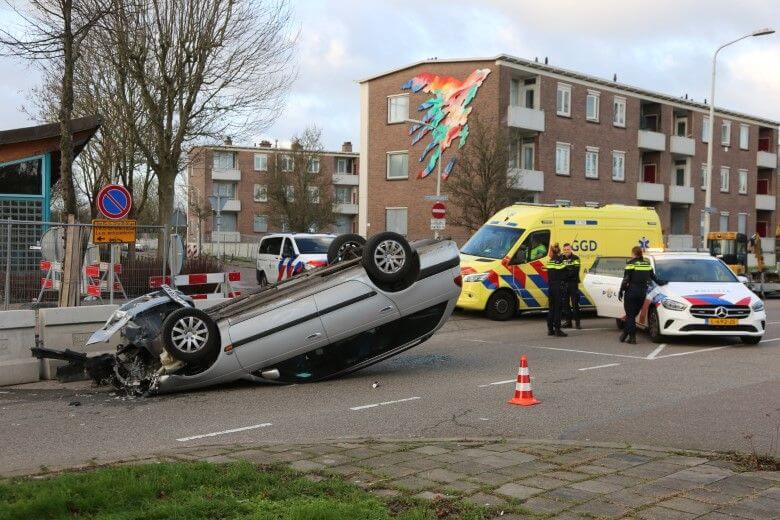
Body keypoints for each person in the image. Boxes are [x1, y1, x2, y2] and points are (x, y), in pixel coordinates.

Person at [618, 246, 667, 344]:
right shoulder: (647, 264)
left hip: (631, 293)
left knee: (630, 315)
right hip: (642, 294)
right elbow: (654, 278)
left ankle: (632, 338)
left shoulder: (630, 264)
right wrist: (664, 282)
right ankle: (624, 335)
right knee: (632, 315)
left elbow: (626, 280)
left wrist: (621, 290)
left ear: (633, 254)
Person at [545, 243, 567, 337]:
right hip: (558, 287)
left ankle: (550, 329)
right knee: (558, 309)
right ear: (558, 252)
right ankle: (557, 329)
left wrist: (560, 258)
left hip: (551, 287)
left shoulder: (550, 262)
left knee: (551, 308)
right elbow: (565, 273)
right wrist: (562, 259)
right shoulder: (560, 261)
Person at [561, 243, 581, 329]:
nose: (566, 251)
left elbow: (575, 271)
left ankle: (577, 323)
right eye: (565, 250)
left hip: (573, 284)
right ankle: (568, 322)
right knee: (565, 304)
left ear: (571, 249)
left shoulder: (576, 258)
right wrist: (567, 272)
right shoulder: (561, 258)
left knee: (575, 304)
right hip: (564, 284)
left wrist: (565, 273)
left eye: (568, 250)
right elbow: (559, 270)